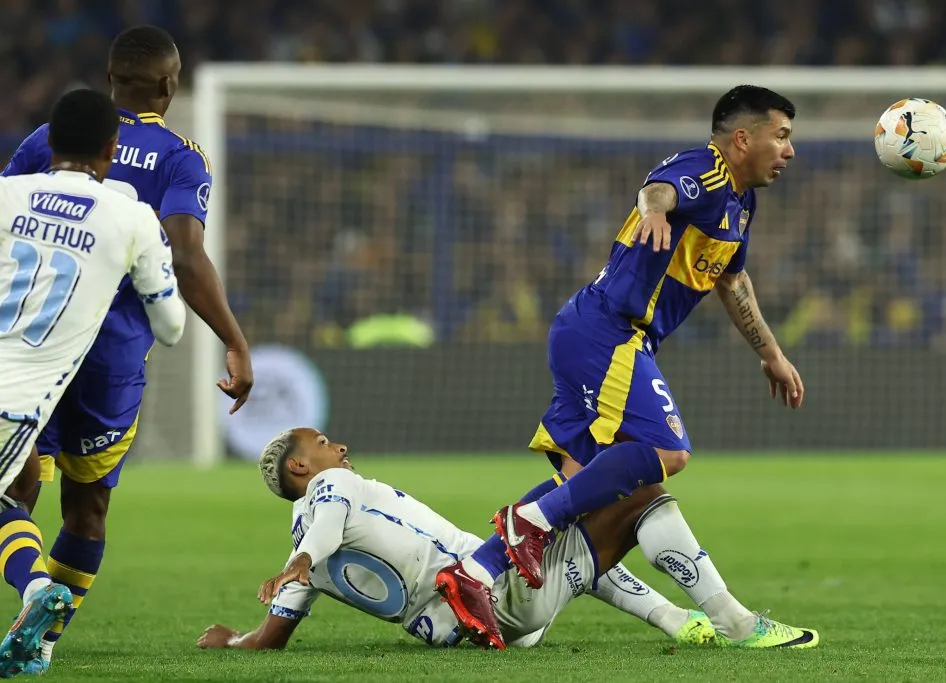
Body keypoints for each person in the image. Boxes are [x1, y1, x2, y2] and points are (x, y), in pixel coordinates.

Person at [438, 85, 818, 650]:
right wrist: (654, 210)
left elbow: (732, 279)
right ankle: (529, 522)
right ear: (743, 138)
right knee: (668, 451)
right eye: (781, 136)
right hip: (610, 332)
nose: (789, 150)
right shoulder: (707, 170)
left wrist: (771, 353)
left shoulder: (741, 203)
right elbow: (658, 189)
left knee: (597, 484)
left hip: (593, 331)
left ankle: (475, 572)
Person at [1, 25, 253, 671]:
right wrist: (233, 340)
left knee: (14, 488)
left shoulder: (48, 138)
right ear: (170, 85)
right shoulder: (181, 156)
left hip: (31, 346)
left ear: (110, 79)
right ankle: (42, 641)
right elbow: (187, 256)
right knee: (87, 507)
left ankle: (30, 591)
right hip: (112, 355)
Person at [195, 428, 717, 652]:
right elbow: (328, 523)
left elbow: (269, 640)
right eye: (325, 443)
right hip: (494, 593)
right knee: (624, 483)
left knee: (549, 531)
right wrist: (307, 555)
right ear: (300, 467)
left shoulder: (300, 551)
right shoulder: (330, 492)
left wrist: (234, 639)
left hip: (471, 628)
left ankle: (674, 619)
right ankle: (708, 617)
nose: (341, 447)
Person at [0, 88, 186, 676]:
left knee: (8, 503)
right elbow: (172, 328)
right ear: (110, 149)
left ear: (48, 142)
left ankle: (35, 590)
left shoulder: (5, 195)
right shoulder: (133, 218)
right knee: (80, 504)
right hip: (40, 397)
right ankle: (39, 629)